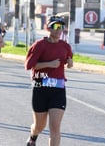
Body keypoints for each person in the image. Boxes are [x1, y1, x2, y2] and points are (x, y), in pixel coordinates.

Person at [24, 15, 73, 146]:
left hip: (58, 89)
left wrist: (70, 62)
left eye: (61, 27)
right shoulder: (39, 45)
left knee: (55, 127)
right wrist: (50, 64)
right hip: (41, 87)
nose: (58, 30)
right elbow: (29, 66)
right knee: (39, 126)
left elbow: (70, 61)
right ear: (48, 28)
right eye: (55, 26)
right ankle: (33, 136)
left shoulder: (65, 46)